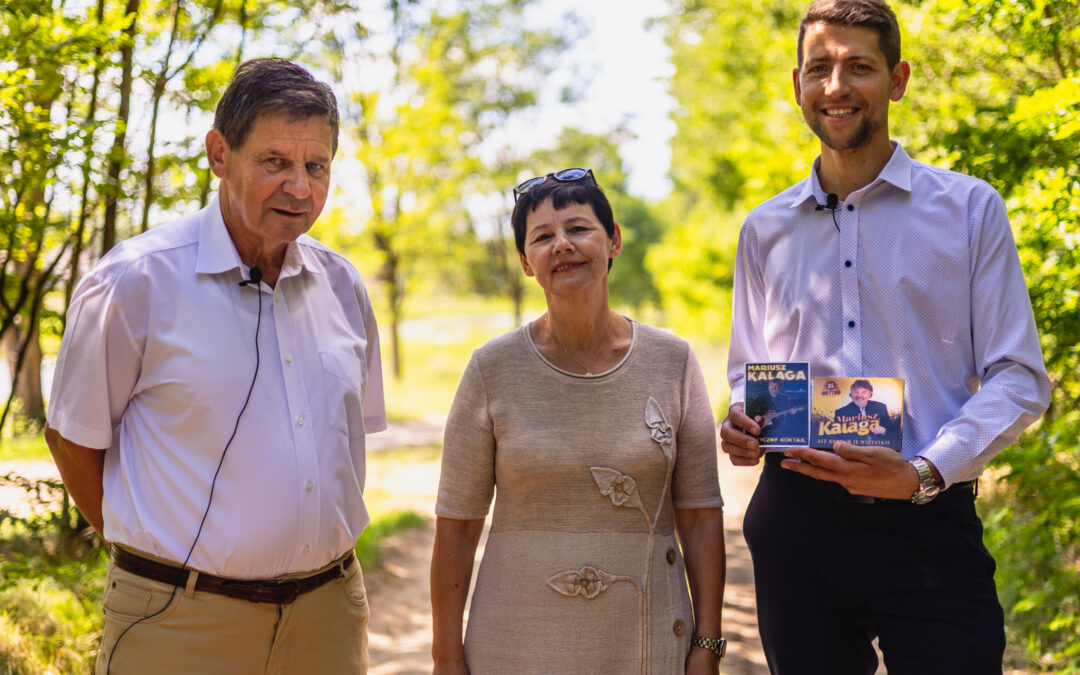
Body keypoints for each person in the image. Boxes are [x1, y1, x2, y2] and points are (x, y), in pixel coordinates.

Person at [718, 1, 1051, 673]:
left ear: (896, 80)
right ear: (797, 85)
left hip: (929, 520)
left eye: (858, 67)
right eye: (820, 68)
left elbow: (1019, 375)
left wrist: (925, 472)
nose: (836, 86)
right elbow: (745, 368)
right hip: (797, 523)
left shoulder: (968, 209)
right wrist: (742, 421)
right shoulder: (764, 229)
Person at [44, 58, 385, 674]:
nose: (300, 188)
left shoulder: (343, 286)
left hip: (329, 617)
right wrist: (154, 564)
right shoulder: (134, 282)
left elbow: (348, 443)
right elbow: (72, 439)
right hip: (177, 623)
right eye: (275, 162)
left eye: (316, 167)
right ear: (218, 153)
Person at [430, 168, 727, 674]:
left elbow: (700, 516)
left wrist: (709, 644)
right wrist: (446, 657)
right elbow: (456, 529)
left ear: (612, 240)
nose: (562, 245)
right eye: (542, 237)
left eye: (578, 228)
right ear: (526, 262)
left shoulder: (673, 361)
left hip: (645, 641)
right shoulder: (490, 370)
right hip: (514, 644)